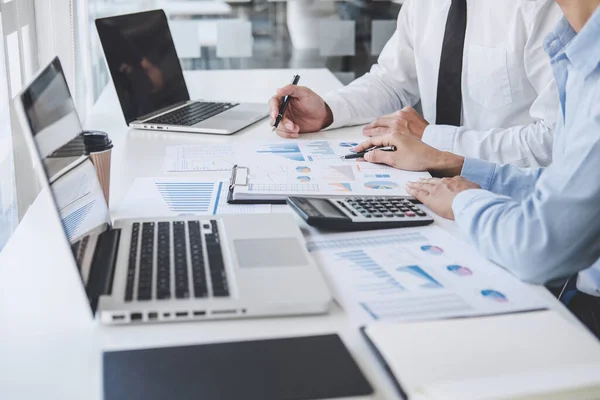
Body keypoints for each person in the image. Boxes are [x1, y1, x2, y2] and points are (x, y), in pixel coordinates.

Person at [354, 0, 600, 338]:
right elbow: (571, 179)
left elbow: (539, 244)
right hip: (549, 256)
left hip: (576, 293)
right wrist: (451, 163)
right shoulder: (580, 48)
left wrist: (463, 197)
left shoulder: (568, 41)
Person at [269, 0, 563, 168]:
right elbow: (393, 81)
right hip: (424, 183)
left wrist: (435, 141)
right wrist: (328, 110)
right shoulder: (423, 5)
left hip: (512, 197)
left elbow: (556, 140)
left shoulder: (543, 8)